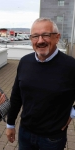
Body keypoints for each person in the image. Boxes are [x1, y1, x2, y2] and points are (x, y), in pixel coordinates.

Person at [6, 17, 75, 150]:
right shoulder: (25, 62)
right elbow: (16, 95)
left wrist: (72, 112)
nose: (40, 41)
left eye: (46, 35)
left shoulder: (71, 66)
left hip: (53, 139)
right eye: (35, 36)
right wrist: (10, 124)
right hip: (25, 133)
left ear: (57, 37)